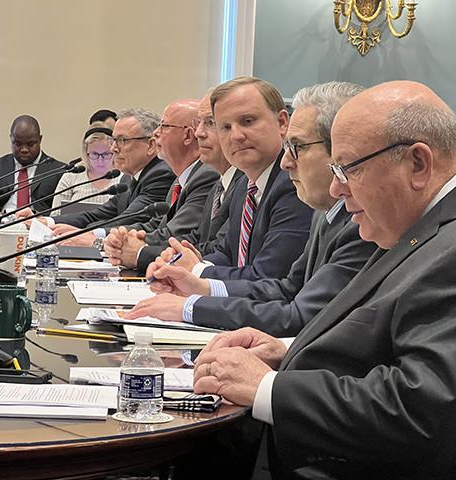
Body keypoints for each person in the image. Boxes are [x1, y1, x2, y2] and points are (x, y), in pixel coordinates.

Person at [191, 81, 456, 479]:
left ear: (418, 163)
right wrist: (286, 348)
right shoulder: (440, 222)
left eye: (348, 169)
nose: (336, 188)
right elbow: (390, 334)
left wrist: (265, 388)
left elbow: (418, 410)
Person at [128, 81, 376, 337]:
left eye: (247, 121)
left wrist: (191, 302)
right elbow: (285, 288)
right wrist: (199, 285)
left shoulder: (355, 218)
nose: (286, 162)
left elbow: (296, 310)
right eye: (224, 126)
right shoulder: (251, 186)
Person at [112, 77, 314, 282]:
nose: (236, 136)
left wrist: (195, 271)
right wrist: (176, 264)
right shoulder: (245, 184)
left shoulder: (293, 183)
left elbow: (267, 277)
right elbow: (226, 254)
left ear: (281, 122)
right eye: (225, 127)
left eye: (248, 121)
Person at [17, 108, 175, 249]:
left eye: (122, 140)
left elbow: (128, 220)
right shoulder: (128, 177)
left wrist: (89, 234)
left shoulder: (160, 174)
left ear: (151, 146)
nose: (113, 148)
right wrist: (46, 222)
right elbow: (98, 214)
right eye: (113, 140)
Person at [103, 99, 219, 271]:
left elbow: (179, 235)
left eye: (163, 126)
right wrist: (127, 238)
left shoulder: (207, 176)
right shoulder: (178, 181)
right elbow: (159, 224)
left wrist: (134, 247)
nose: (156, 133)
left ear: (187, 135)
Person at [135, 90, 244, 265]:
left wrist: (141, 252)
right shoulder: (220, 183)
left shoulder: (217, 178)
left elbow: (218, 249)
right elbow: (199, 240)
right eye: (199, 123)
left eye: (210, 123)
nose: (198, 133)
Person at [0, 115, 64, 214]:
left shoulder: (58, 171)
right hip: (0, 226)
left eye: (30, 144)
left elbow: (60, 213)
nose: (24, 150)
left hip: (39, 226)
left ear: (40, 140)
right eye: (18, 144)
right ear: (11, 139)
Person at [50, 122, 120, 215]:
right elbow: (55, 214)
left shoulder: (124, 177)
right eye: (94, 154)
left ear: (113, 150)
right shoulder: (71, 176)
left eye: (106, 154)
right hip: (71, 228)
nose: (100, 160)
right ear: (86, 152)